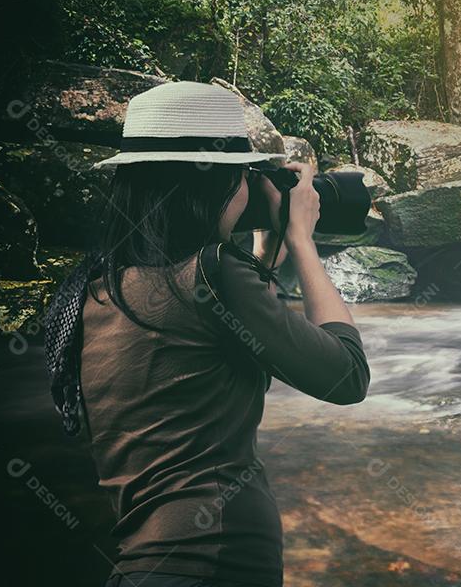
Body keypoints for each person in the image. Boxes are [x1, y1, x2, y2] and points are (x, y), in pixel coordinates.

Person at [49, 81, 370, 587]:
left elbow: (216, 350)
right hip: (220, 560)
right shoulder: (215, 274)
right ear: (214, 183)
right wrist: (301, 241)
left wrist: (263, 256)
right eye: (244, 176)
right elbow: (346, 376)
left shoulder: (95, 290)